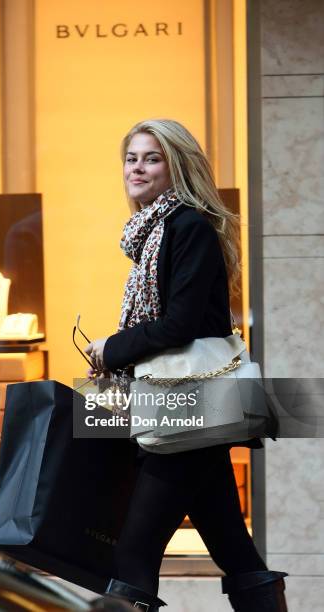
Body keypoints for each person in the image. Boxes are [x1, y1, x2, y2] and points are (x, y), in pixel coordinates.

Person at [84, 119, 288, 612]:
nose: (138, 168)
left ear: (176, 166)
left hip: (187, 402)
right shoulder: (152, 231)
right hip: (185, 407)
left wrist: (112, 348)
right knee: (231, 545)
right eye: (131, 158)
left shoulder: (187, 226)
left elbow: (181, 323)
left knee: (133, 552)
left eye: (151, 158)